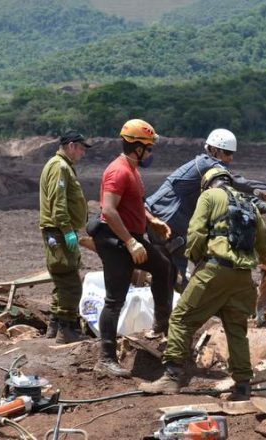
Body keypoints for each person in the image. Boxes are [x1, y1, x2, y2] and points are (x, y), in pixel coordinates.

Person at [139, 168, 266, 398]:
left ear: (208, 184)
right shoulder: (249, 205)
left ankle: (171, 377)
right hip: (243, 277)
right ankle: (243, 385)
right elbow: (264, 243)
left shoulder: (209, 196)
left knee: (181, 319)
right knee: (236, 330)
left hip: (214, 270)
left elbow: (196, 231)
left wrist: (195, 258)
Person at [91, 119, 173, 377]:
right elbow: (108, 210)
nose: (150, 154)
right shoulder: (119, 171)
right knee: (115, 298)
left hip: (132, 237)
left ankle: (161, 324)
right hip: (116, 241)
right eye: (148, 148)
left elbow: (134, 204)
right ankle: (105, 358)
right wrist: (130, 241)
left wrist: (151, 221)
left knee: (164, 267)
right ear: (136, 147)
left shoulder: (133, 170)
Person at [145, 128, 266, 288]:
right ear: (213, 149)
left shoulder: (208, 167)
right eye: (227, 153)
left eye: (231, 153)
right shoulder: (206, 164)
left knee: (169, 271)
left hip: (162, 216)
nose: (230, 158)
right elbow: (238, 182)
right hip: (168, 217)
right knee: (179, 271)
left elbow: (233, 193)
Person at [39, 131, 92, 343]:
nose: (82, 153)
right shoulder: (59, 167)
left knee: (62, 280)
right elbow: (57, 202)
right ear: (71, 146)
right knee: (71, 283)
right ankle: (67, 328)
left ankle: (53, 324)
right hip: (59, 232)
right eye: (80, 148)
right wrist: (67, 229)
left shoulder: (61, 165)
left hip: (59, 231)